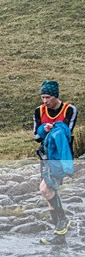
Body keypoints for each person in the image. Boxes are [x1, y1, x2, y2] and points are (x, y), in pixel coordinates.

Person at [33, 80, 78, 245]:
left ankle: (63, 221)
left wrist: (54, 128)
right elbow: (36, 137)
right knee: (50, 194)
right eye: (43, 97)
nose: (45, 101)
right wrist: (43, 130)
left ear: (56, 96)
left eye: (48, 97)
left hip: (60, 157)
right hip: (45, 157)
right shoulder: (39, 111)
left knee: (45, 189)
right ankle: (60, 237)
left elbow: (66, 132)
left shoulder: (69, 110)